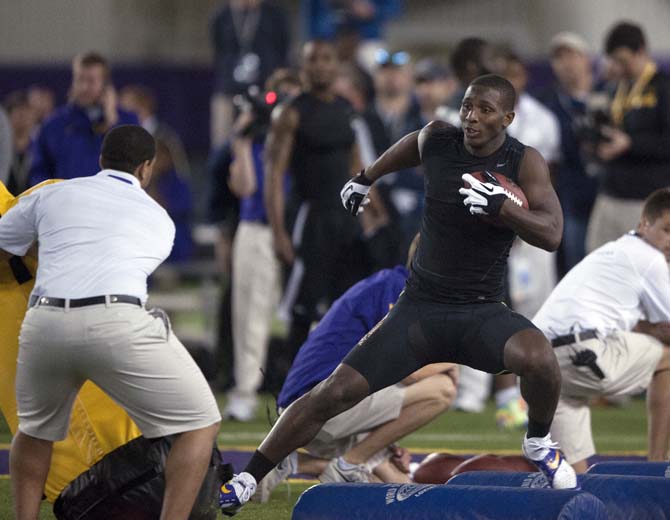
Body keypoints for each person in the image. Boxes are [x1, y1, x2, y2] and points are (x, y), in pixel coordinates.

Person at [220, 73, 577, 515]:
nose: (471, 116)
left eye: (485, 109)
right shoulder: (438, 140)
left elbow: (554, 233)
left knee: (540, 359)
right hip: (419, 309)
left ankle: (539, 439)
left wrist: (502, 207)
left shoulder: (525, 162)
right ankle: (247, 476)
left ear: (508, 117)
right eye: (467, 105)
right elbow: (412, 144)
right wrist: (366, 177)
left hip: (479, 310)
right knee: (334, 391)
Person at [0, 125, 221, 520]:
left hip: (44, 321)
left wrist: (41, 248)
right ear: (147, 168)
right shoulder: (159, 218)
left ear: (101, 159)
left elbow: (5, 247)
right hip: (116, 320)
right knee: (200, 423)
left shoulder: (54, 193)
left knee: (33, 433)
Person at [255, 236, 456, 500]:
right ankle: (349, 463)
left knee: (396, 485)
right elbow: (409, 373)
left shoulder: (388, 284)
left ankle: (296, 463)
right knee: (442, 389)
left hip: (313, 410)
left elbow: (379, 368)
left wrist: (386, 440)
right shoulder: (398, 291)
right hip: (318, 408)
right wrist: (453, 360)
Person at [534, 187, 670, 473]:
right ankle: (658, 467)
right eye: (667, 230)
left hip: (540, 363)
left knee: (575, 481)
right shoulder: (651, 258)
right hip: (581, 352)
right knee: (667, 356)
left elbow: (634, 322)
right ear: (644, 223)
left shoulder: (616, 251)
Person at [265, 39, 363, 366]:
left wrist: (370, 217)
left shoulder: (346, 109)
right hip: (309, 217)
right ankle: (290, 392)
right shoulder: (291, 112)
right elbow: (274, 175)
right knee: (302, 310)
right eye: (313, 60)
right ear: (303, 66)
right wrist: (279, 232)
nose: (320, 65)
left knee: (344, 306)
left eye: (327, 59)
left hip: (345, 219)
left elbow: (358, 168)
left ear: (337, 65)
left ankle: (336, 386)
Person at [223, 69, 302, 421]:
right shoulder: (256, 138)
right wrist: (240, 139)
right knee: (249, 315)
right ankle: (244, 391)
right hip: (257, 228)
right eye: (278, 95)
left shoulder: (308, 134)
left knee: (308, 315)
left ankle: (310, 392)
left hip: (301, 227)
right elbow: (245, 187)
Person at [586, 21, 670, 252]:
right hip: (609, 193)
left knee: (645, 271)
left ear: (641, 52)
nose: (619, 67)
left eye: (624, 60)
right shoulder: (613, 89)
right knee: (597, 264)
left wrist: (631, 144)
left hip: (645, 199)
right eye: (614, 61)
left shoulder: (663, 88)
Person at [28, 52, 138, 186]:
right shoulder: (53, 125)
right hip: (66, 204)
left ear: (105, 85)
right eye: (80, 79)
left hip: (110, 204)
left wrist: (112, 123)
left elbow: (135, 169)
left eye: (91, 81)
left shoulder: (129, 122)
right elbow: (38, 174)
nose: (84, 87)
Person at [209, 0, 290, 148]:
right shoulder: (221, 16)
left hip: (266, 92)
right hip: (229, 91)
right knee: (222, 143)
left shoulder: (275, 15)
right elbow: (219, 51)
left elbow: (282, 52)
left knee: (270, 142)